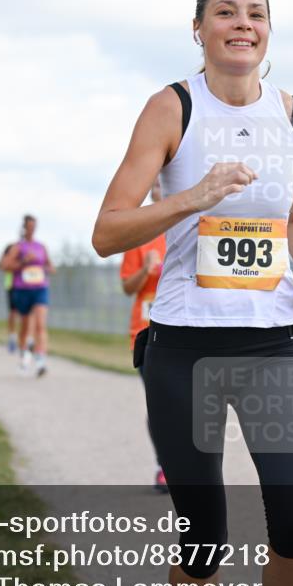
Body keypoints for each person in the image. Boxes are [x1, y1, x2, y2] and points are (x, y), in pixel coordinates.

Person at [92, 0, 293, 586]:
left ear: (269, 31)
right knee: (204, 530)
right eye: (226, 12)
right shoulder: (170, 107)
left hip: (273, 349)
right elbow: (108, 230)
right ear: (199, 28)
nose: (242, 24)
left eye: (256, 13)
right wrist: (192, 198)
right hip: (184, 349)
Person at [120, 177, 169, 493]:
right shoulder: (140, 236)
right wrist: (147, 270)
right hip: (147, 329)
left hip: (187, 326)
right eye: (155, 186)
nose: (160, 190)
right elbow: (127, 287)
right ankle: (164, 465)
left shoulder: (195, 227)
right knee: (160, 403)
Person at [0, 215, 56, 377]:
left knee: (40, 324)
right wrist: (24, 262)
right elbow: (5, 265)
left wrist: (46, 269)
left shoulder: (41, 246)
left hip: (40, 288)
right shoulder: (18, 247)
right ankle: (24, 353)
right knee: (25, 326)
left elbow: (50, 265)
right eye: (29, 226)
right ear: (25, 228)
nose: (32, 229)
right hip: (22, 290)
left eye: (34, 226)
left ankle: (40, 361)